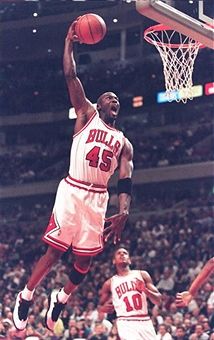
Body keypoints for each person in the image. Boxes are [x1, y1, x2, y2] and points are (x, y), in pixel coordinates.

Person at [13, 18, 134, 333]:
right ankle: (25, 296)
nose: (114, 100)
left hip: (98, 199)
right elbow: (70, 74)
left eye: (116, 99)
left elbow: (126, 179)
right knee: (54, 251)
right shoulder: (85, 114)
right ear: (99, 103)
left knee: (84, 262)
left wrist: (124, 211)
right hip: (73, 189)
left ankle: (61, 298)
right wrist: (69, 42)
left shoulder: (124, 143)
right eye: (108, 97)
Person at [99, 247, 162, 340]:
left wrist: (145, 290)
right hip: (125, 321)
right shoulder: (109, 283)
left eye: (125, 253)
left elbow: (158, 300)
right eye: (119, 253)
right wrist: (104, 308)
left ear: (129, 260)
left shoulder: (142, 275)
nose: (122, 254)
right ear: (113, 261)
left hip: (144, 320)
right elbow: (100, 307)